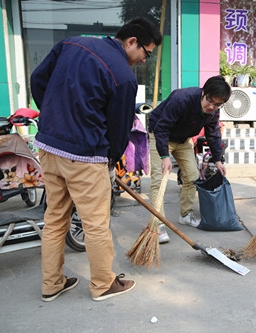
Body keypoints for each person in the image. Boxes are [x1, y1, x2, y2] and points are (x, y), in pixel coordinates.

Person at [31, 17, 162, 302]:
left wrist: (54, 118)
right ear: (131, 42)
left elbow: (37, 80)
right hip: (84, 157)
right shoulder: (123, 77)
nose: (144, 60)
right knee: (95, 224)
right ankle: (103, 284)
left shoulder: (70, 43)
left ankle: (51, 284)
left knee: (54, 220)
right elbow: (118, 130)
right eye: (146, 53)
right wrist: (111, 163)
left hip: (49, 148)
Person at [148, 75, 231, 242]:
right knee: (159, 178)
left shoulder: (213, 111)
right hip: (161, 135)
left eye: (217, 104)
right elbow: (162, 127)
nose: (211, 106)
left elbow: (213, 133)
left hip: (183, 139)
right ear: (203, 92)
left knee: (192, 177)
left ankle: (185, 214)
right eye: (210, 101)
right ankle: (157, 224)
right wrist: (165, 156)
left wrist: (218, 160)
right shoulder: (181, 99)